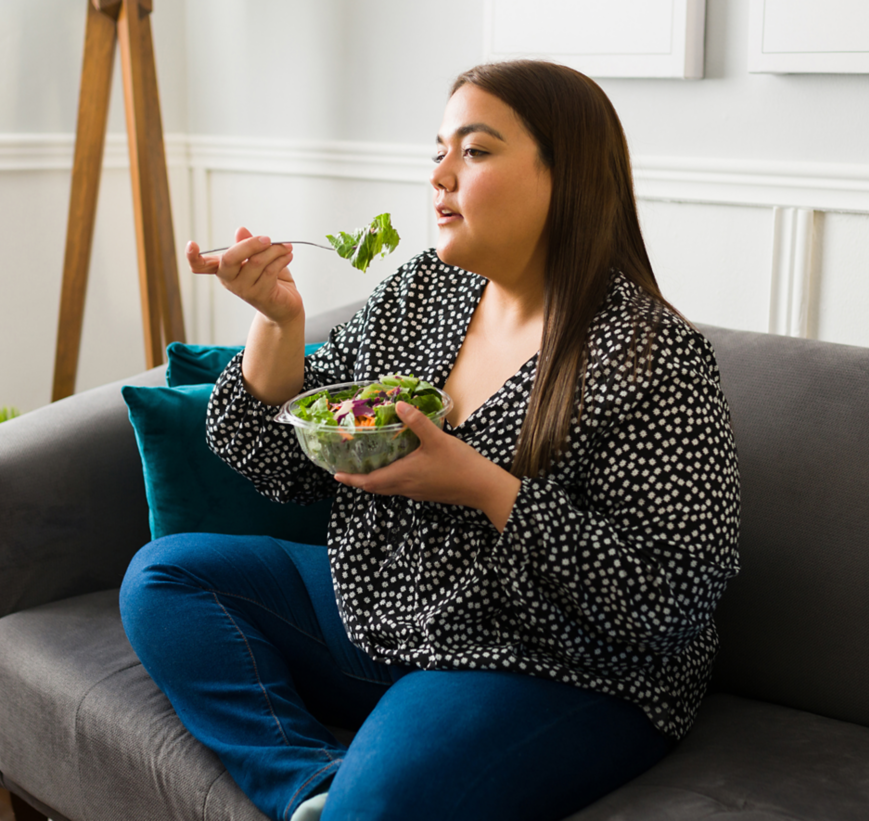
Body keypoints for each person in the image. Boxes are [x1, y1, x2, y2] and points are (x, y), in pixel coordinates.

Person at [119, 59, 741, 821]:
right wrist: (277, 323)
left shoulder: (651, 354)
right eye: (438, 149)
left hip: (549, 658)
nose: (441, 174)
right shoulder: (421, 291)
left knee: (379, 806)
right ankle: (306, 784)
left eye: (475, 151)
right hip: (388, 607)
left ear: (565, 177)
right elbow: (283, 462)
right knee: (166, 577)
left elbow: (669, 594)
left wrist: (481, 484)